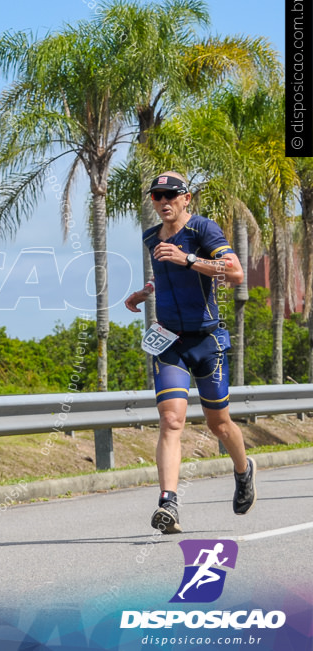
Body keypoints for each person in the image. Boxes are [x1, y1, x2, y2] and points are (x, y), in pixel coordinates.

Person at [124, 171, 255, 534]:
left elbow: (234, 272)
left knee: (219, 424)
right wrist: (145, 290)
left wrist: (187, 259)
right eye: (157, 196)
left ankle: (243, 471)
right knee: (171, 420)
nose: (164, 201)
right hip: (169, 341)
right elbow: (165, 276)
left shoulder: (202, 230)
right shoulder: (152, 237)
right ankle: (169, 503)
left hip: (207, 342)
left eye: (171, 195)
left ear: (187, 198)